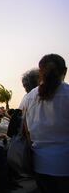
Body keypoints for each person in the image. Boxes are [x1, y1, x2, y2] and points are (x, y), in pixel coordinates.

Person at [25, 54, 69, 192]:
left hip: (40, 165)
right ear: (65, 71)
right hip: (64, 166)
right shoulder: (67, 93)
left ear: (40, 73)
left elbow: (26, 130)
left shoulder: (30, 96)